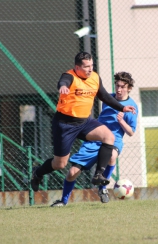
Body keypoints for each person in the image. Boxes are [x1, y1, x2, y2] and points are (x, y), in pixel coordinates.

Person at [31, 52, 136, 192]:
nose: (90, 69)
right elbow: (63, 82)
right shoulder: (69, 76)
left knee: (108, 137)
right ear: (77, 67)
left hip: (85, 122)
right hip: (65, 124)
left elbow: (105, 96)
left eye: (92, 65)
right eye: (86, 66)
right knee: (60, 164)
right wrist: (62, 87)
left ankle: (98, 175)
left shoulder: (94, 78)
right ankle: (38, 172)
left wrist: (122, 107)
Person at [51, 72, 138, 206]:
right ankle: (63, 201)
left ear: (129, 88)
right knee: (72, 172)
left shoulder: (132, 106)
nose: (119, 89)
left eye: (123, 87)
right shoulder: (108, 99)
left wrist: (122, 122)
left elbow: (131, 132)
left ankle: (102, 188)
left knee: (111, 156)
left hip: (114, 139)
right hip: (95, 138)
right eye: (117, 86)